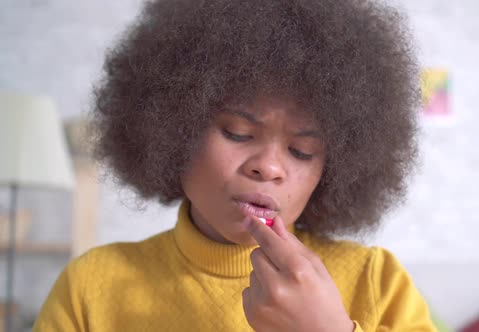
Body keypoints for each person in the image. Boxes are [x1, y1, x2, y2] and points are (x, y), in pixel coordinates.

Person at [34, 0, 436, 331]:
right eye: (239, 133)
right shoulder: (91, 288)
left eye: (302, 152)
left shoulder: (376, 282)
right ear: (174, 130)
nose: (269, 168)